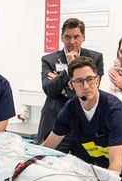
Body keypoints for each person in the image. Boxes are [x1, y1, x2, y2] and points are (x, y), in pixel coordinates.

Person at [41, 56, 122, 172]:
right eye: (79, 81)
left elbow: (116, 164)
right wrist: (26, 161)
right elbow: (48, 146)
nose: (86, 86)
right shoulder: (71, 109)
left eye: (90, 79)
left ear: (97, 81)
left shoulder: (113, 109)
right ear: (71, 86)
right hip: (104, 168)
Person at [38, 18, 104, 150]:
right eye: (67, 37)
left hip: (83, 125)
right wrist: (68, 68)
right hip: (55, 125)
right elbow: (49, 90)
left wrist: (63, 90)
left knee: (83, 168)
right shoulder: (48, 60)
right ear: (62, 37)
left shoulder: (95, 58)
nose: (72, 41)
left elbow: (90, 92)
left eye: (76, 37)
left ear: (83, 37)